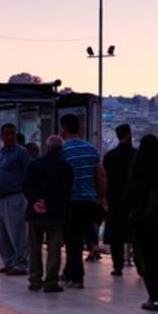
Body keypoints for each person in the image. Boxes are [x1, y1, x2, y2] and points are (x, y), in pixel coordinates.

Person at [128, 134, 158, 311]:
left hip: (142, 219)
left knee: (148, 258)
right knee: (156, 250)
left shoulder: (138, 170)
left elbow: (131, 196)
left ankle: (154, 297)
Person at [60, 114, 106, 289]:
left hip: (71, 201)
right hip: (88, 201)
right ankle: (69, 271)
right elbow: (101, 175)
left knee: (72, 240)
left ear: (64, 129)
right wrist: (101, 197)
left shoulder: (64, 151)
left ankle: (76, 276)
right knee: (80, 236)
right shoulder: (90, 149)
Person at [23, 135, 73, 292]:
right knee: (54, 249)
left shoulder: (34, 164)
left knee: (34, 247)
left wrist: (37, 202)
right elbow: (66, 192)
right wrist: (48, 203)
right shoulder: (66, 167)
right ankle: (51, 282)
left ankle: (35, 280)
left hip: (35, 213)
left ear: (47, 147)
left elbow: (26, 186)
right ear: (62, 149)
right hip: (56, 214)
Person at [0, 123, 32, 275]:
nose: (10, 137)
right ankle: (8, 262)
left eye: (12, 134)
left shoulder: (21, 152)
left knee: (17, 233)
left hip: (14, 198)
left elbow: (29, 172)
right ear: (1, 136)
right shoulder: (1, 152)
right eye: (7, 134)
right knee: (2, 234)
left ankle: (20, 264)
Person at [102, 124, 137, 276]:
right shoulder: (137, 155)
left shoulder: (110, 156)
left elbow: (105, 178)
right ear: (129, 134)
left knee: (116, 235)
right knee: (136, 232)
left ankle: (117, 266)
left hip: (115, 199)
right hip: (133, 200)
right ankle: (140, 263)